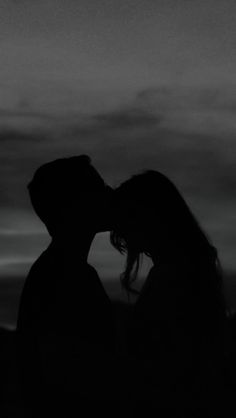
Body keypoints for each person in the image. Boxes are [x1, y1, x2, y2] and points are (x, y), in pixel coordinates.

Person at [110, 170, 228, 417]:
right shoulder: (184, 269)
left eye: (128, 217)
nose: (122, 229)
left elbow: (168, 365)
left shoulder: (174, 276)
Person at [17, 155, 116, 417]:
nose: (109, 193)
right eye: (98, 187)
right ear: (77, 204)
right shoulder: (64, 276)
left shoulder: (58, 270)